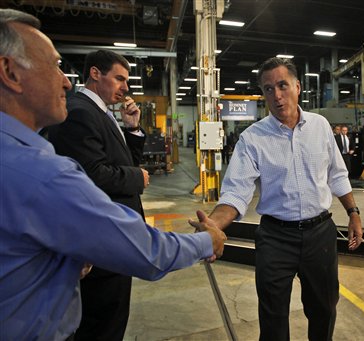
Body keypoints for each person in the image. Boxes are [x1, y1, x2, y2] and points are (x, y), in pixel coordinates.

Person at [0, 9, 226, 341]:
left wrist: (64, 258)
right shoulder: (42, 166)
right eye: (55, 65)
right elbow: (145, 250)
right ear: (9, 71)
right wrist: (208, 239)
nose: (65, 80)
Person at [189, 57, 363, 340]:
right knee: (273, 317)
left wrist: (353, 212)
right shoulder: (252, 139)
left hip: (320, 234)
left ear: (297, 86)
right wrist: (215, 224)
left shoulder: (320, 127)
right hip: (275, 238)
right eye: (268, 89)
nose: (277, 95)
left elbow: (337, 175)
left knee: (324, 309)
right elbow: (236, 192)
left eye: (283, 85)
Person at [47, 49, 149, 340]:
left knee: (112, 317)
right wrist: (137, 178)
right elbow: (91, 173)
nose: (125, 87)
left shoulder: (100, 112)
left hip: (114, 237)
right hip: (102, 238)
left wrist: (133, 129)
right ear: (95, 73)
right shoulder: (80, 112)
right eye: (119, 78)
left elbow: (121, 161)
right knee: (102, 323)